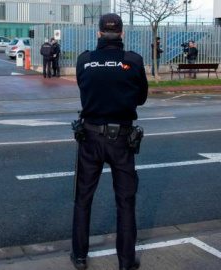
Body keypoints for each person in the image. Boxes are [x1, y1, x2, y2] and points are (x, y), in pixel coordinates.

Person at [71, 13, 148, 270]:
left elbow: (84, 88)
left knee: (83, 198)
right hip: (122, 139)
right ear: (122, 34)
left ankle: (80, 256)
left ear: (99, 33)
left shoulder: (85, 60)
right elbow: (141, 98)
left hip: (90, 137)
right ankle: (126, 262)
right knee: (125, 202)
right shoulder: (133, 62)